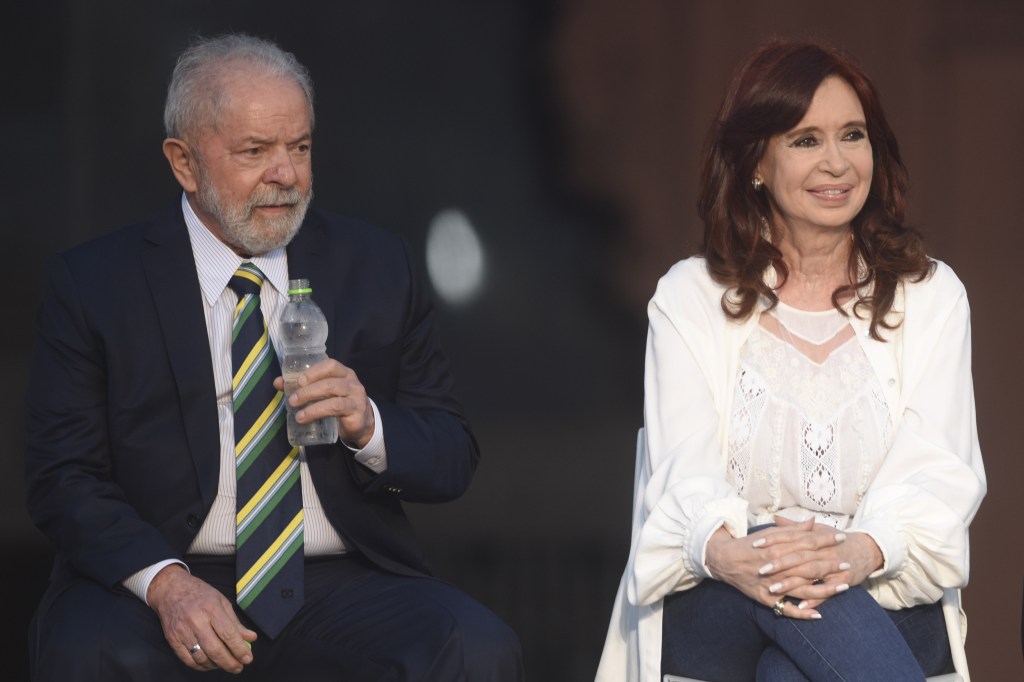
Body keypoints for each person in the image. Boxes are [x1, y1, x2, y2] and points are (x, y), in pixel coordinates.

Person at [24, 33, 523, 681]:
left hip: (341, 580)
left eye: (300, 148)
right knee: (88, 656)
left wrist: (367, 423)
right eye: (255, 152)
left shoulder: (376, 265)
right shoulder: (96, 283)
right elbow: (62, 478)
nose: (285, 174)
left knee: (473, 646)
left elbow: (452, 457)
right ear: (184, 163)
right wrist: (167, 586)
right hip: (158, 574)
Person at [596, 39, 986, 681]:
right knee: (790, 597)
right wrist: (743, 554)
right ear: (756, 162)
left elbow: (939, 474)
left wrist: (856, 553)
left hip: (883, 592)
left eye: (852, 135)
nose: (836, 163)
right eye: (806, 140)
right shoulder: (690, 297)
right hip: (724, 595)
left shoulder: (931, 296)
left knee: (790, 669)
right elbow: (682, 472)